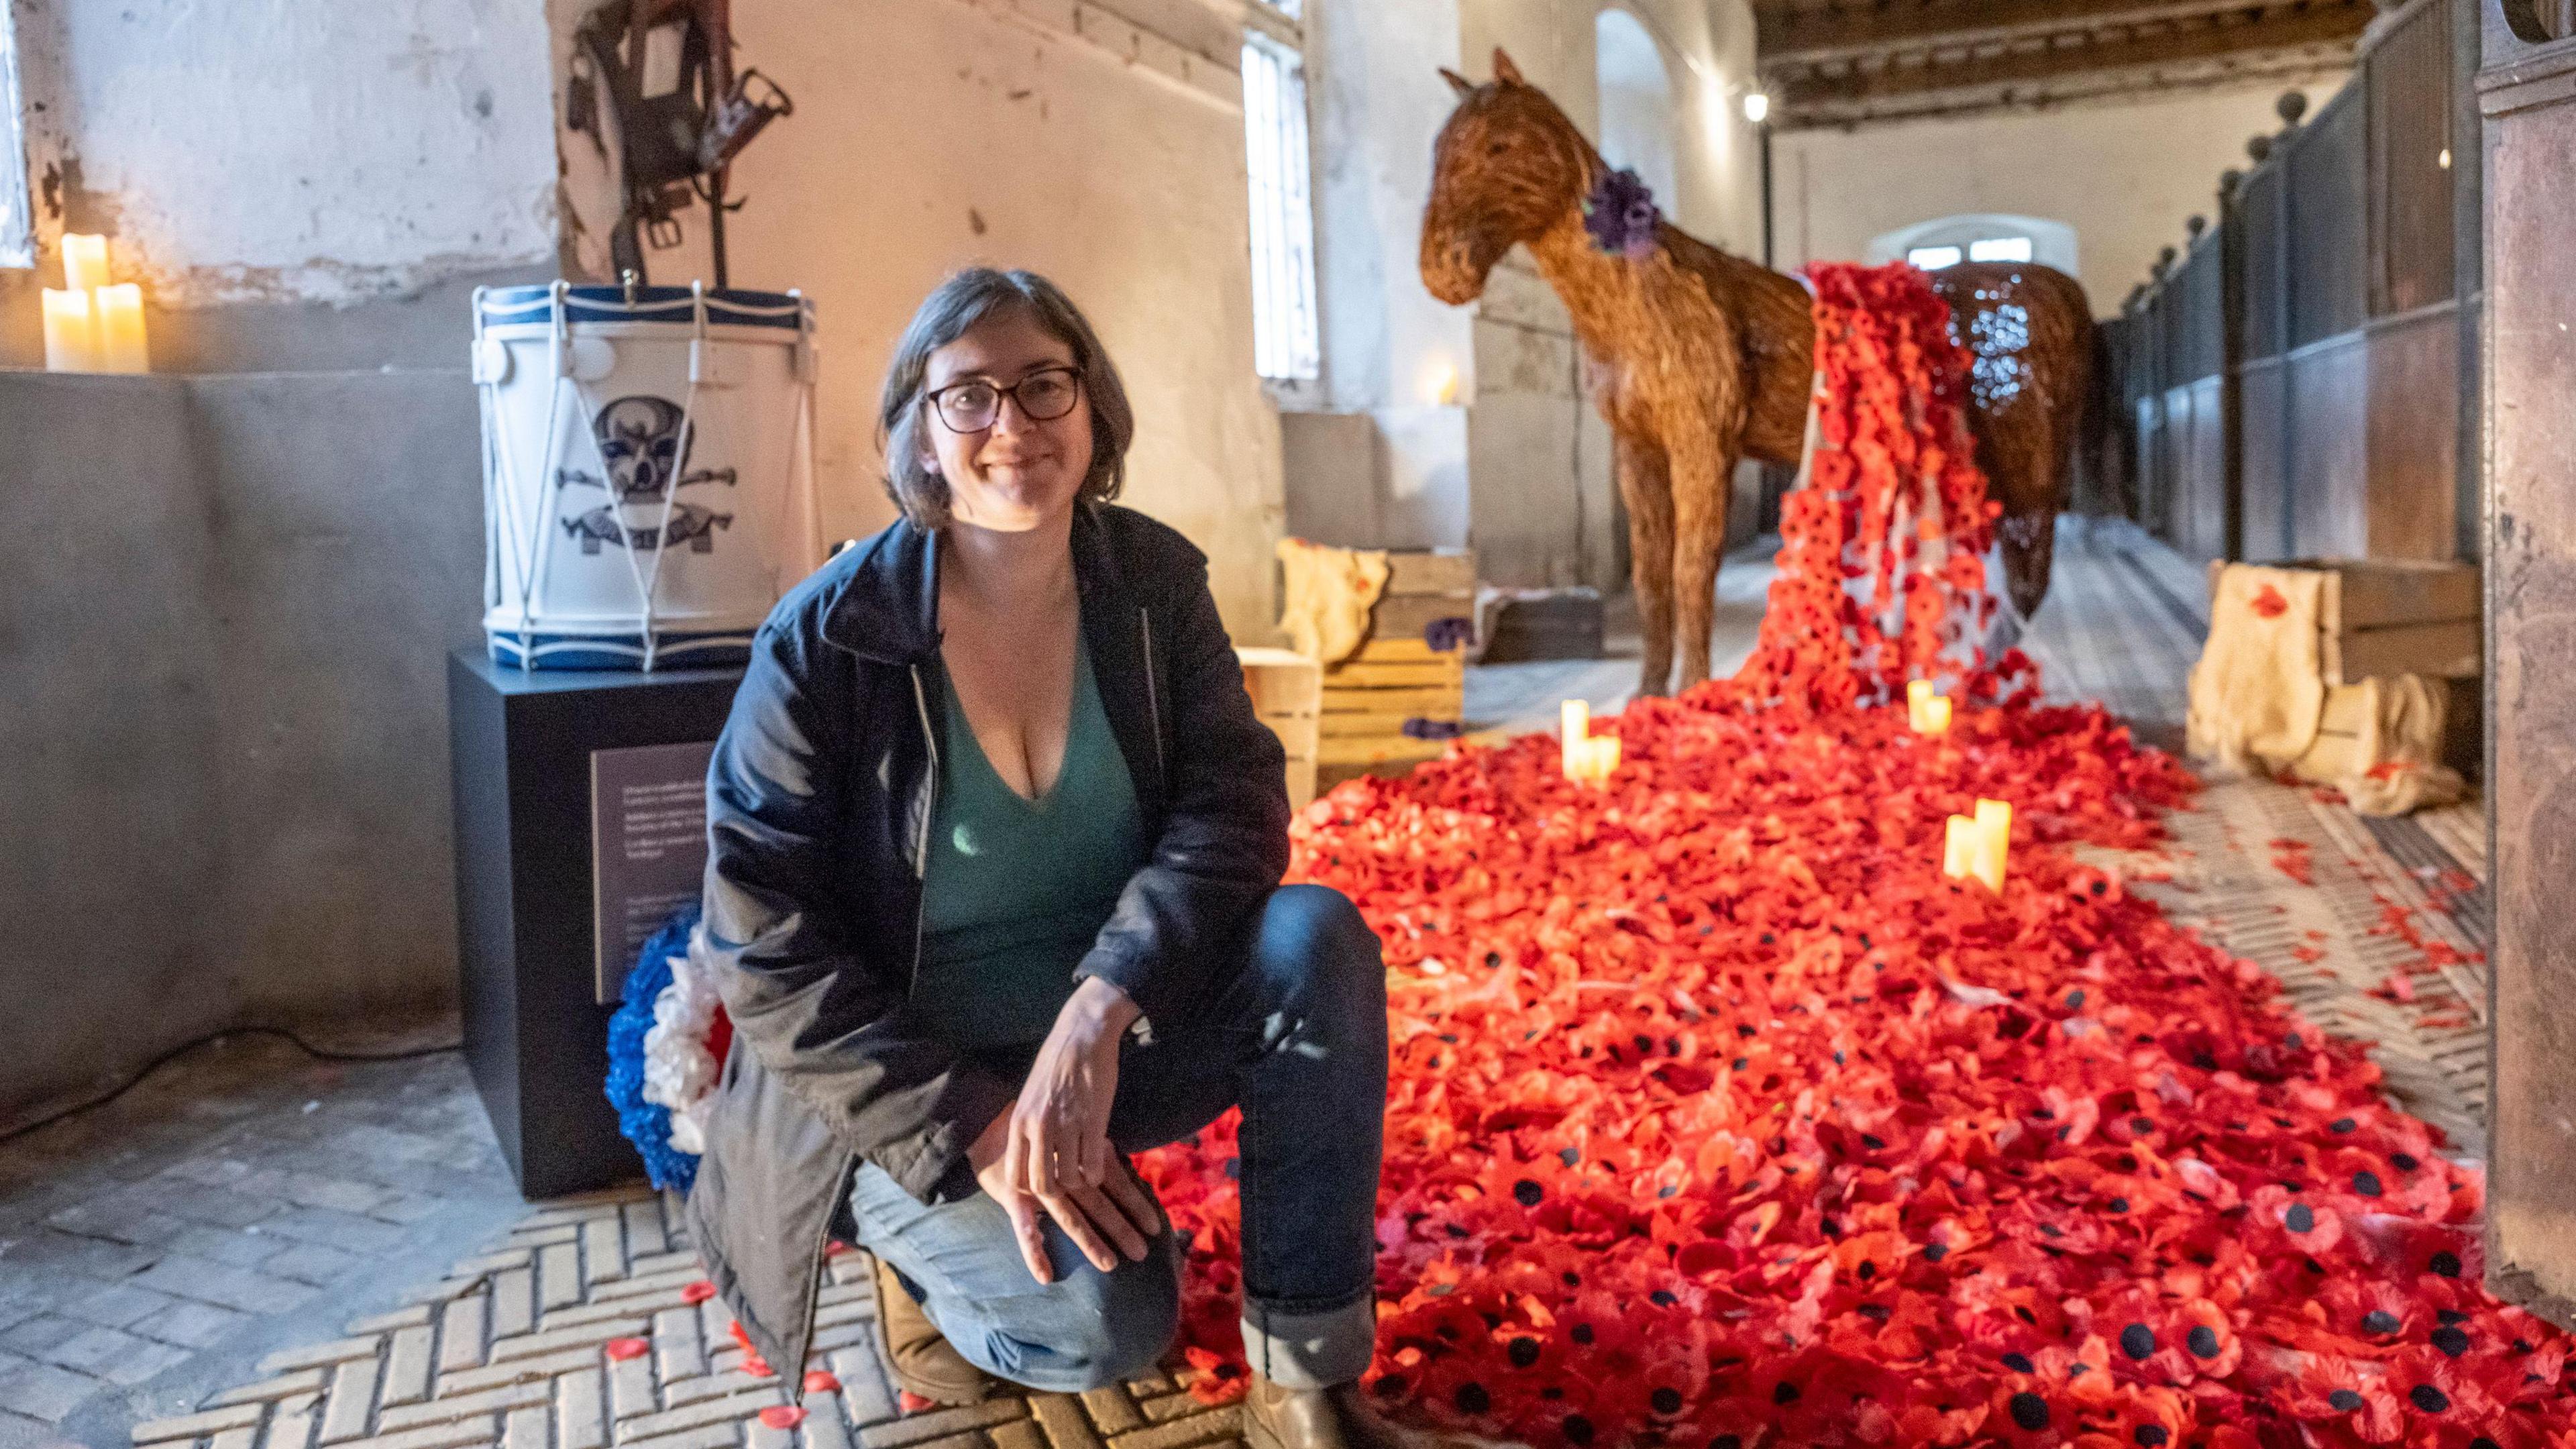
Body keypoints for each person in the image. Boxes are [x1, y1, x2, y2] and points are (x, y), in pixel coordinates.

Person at [687, 268, 1413, 1449]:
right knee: (1106, 1331)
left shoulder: (1152, 584)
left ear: (1093, 412)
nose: (1011, 426)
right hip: (915, 1079)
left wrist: (1101, 1006)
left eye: (1043, 386)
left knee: (1314, 938)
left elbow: (1233, 805)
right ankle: (916, 1273)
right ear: (918, 435)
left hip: (1110, 1040)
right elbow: (759, 938)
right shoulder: (829, 639)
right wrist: (968, 1128)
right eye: (966, 397)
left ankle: (1303, 1377)